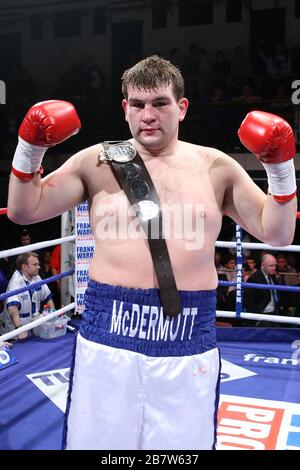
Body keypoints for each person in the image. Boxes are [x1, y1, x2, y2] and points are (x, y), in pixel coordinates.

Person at [7, 56, 296, 450]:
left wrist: (281, 169)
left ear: (182, 107)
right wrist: (30, 148)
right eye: (138, 104)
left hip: (187, 336)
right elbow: (25, 210)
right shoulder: (97, 162)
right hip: (107, 336)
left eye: (160, 103)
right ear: (125, 108)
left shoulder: (217, 167)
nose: (148, 115)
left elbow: (278, 233)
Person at [2, 252, 55, 339]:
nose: (39, 267)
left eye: (38, 264)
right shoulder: (15, 282)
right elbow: (12, 308)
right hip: (14, 335)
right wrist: (19, 329)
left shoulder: (36, 277)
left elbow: (48, 298)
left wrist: (54, 316)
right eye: (35, 264)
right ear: (24, 267)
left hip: (32, 330)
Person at [244, 253, 281, 327]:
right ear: (263, 265)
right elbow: (249, 301)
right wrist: (256, 320)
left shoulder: (272, 276)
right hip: (261, 316)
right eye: (271, 266)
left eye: (275, 265)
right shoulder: (254, 278)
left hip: (274, 313)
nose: (274, 268)